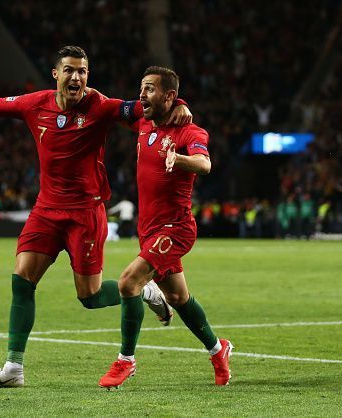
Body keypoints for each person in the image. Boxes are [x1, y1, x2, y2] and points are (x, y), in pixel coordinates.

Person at [0, 46, 192, 389]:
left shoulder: (100, 105)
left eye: (83, 71)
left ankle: (144, 292)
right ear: (56, 74)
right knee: (21, 279)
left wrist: (178, 106)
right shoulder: (35, 104)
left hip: (85, 212)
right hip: (46, 209)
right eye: (70, 70)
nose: (77, 77)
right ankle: (14, 368)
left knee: (89, 297)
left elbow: (146, 108)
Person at [98, 66, 233, 389]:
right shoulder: (143, 122)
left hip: (175, 229)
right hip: (149, 229)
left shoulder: (190, 133)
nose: (141, 95)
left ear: (168, 96)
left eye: (149, 89)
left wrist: (182, 160)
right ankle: (218, 350)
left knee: (129, 282)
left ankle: (125, 361)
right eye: (141, 88)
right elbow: (107, 107)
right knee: (178, 297)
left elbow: (205, 163)